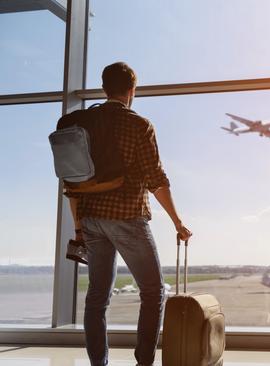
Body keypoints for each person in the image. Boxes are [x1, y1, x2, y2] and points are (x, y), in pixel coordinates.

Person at [61, 62, 192, 366]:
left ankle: (98, 364)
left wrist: (79, 227)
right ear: (133, 89)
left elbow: (72, 182)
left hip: (91, 218)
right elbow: (156, 179)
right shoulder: (139, 125)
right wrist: (178, 222)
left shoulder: (84, 123)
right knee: (154, 291)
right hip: (127, 216)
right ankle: (143, 362)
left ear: (104, 88)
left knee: (97, 298)